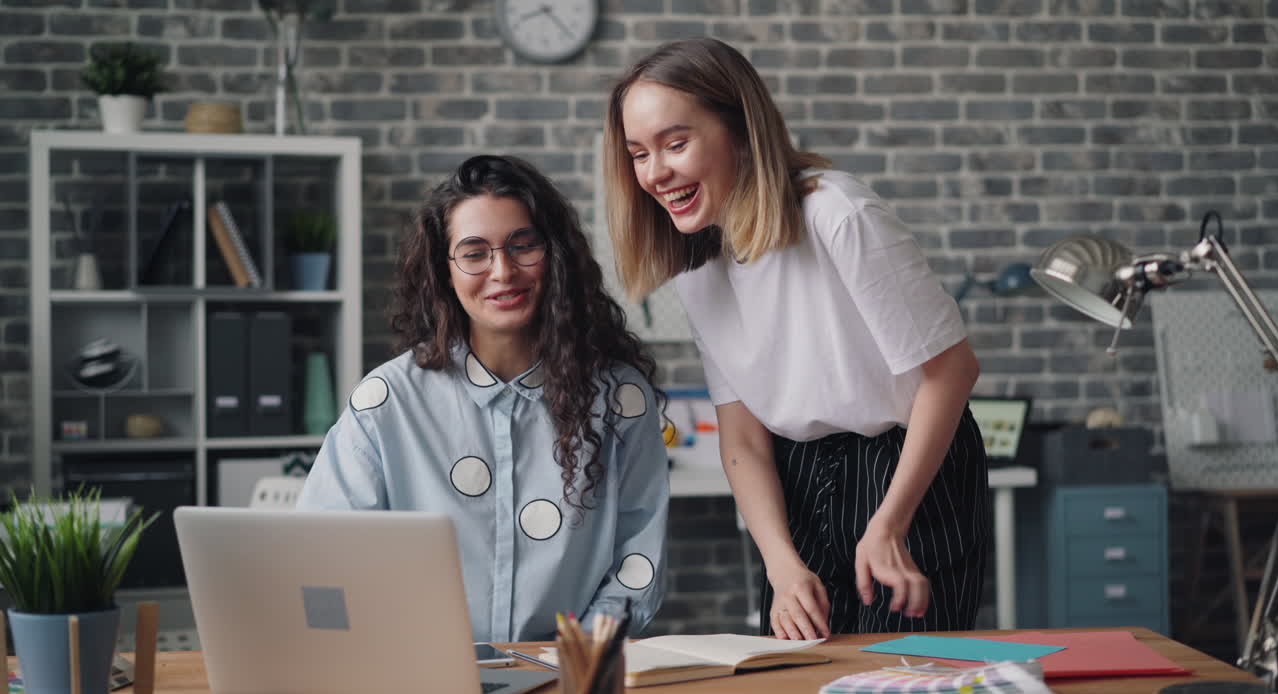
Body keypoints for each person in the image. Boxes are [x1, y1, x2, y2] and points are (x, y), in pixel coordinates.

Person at [604, 37, 989, 639]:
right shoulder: (698, 267)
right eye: (638, 154)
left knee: (904, 681)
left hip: (906, 463)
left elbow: (952, 372)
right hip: (797, 478)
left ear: (739, 128)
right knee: (797, 673)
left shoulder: (838, 213)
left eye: (676, 144)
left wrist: (890, 522)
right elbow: (743, 441)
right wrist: (782, 566)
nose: (656, 173)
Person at [298, 155, 669, 642]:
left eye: (523, 245)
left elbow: (637, 561)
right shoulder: (387, 402)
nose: (503, 271)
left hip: (568, 678)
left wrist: (577, 654)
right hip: (420, 681)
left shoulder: (621, 400)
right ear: (443, 270)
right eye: (474, 252)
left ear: (554, 254)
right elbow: (324, 555)